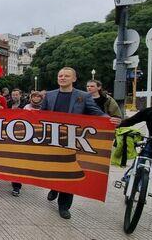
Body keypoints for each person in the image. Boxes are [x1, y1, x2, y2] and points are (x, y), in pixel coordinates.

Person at [41, 67, 120, 219]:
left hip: (73, 141)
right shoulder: (49, 95)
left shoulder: (83, 96)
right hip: (52, 140)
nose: (62, 78)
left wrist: (109, 120)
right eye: (60, 75)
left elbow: (96, 112)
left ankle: (64, 206)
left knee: (69, 173)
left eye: (66, 76)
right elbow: (40, 116)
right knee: (53, 169)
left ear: (74, 79)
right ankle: (54, 187)